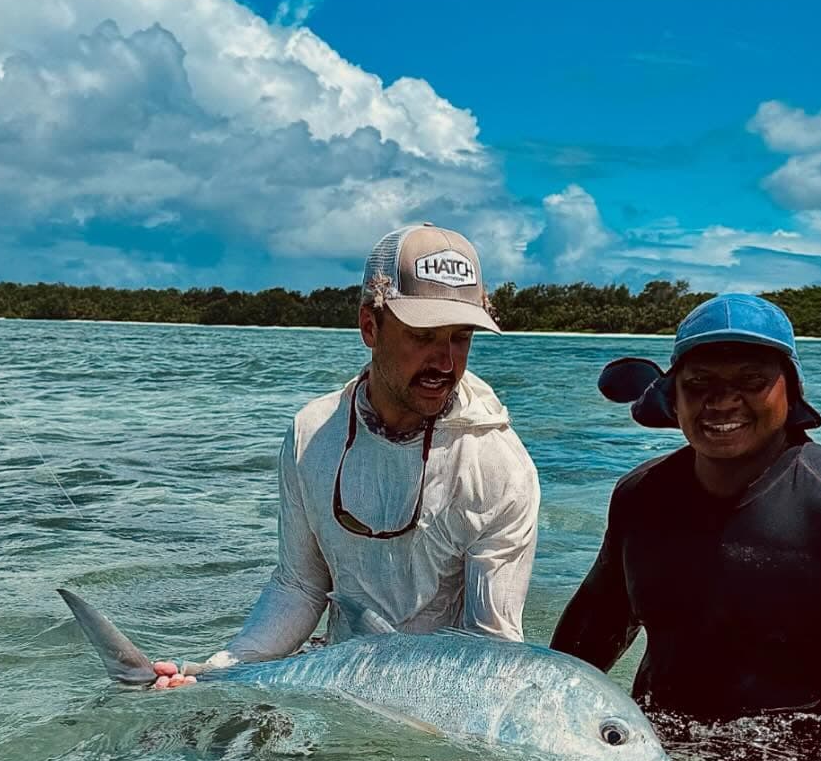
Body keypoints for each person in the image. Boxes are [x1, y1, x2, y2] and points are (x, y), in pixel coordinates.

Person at [550, 293, 821, 761]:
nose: (723, 400)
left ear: (790, 391)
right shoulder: (641, 497)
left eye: (752, 381)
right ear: (674, 396)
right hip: (662, 748)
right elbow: (595, 629)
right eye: (699, 383)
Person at [152, 224, 540, 686]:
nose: (445, 362)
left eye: (461, 336)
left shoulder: (499, 465)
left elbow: (492, 645)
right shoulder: (312, 433)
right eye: (424, 334)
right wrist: (221, 670)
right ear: (369, 326)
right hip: (336, 672)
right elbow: (300, 585)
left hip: (444, 693)